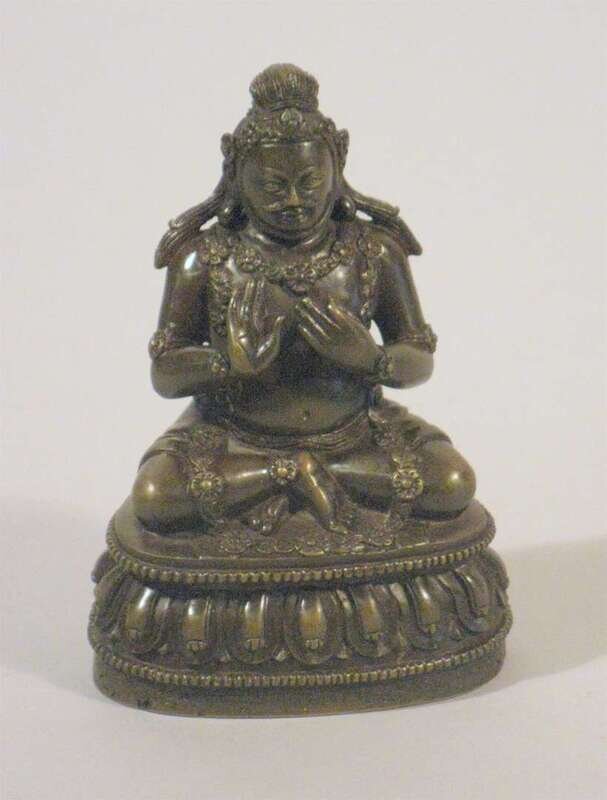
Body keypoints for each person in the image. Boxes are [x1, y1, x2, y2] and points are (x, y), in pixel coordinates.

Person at [132, 64, 475, 535]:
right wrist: (228, 364)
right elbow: (165, 372)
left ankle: (306, 476)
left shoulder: (372, 250)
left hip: (356, 433)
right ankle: (288, 472)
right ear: (236, 172)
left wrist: (372, 360)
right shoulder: (205, 257)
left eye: (310, 183)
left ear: (338, 165)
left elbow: (418, 356)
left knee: (452, 481)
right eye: (273, 186)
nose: (294, 201)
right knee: (157, 495)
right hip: (235, 436)